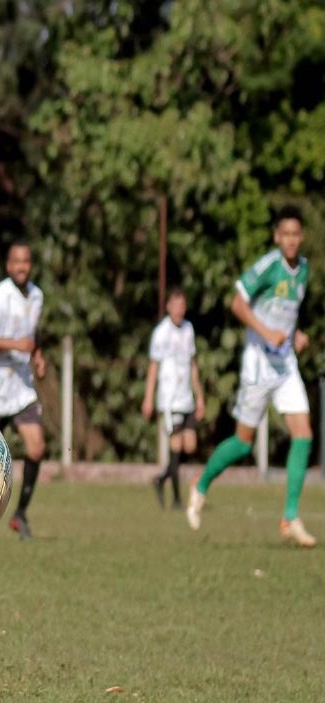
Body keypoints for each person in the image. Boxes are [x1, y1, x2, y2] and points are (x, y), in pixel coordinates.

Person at [185, 205, 316, 548]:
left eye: (295, 234)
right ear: (277, 236)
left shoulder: (303, 270)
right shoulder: (268, 266)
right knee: (242, 442)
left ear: (301, 237)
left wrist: (295, 334)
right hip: (258, 362)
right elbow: (237, 303)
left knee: (303, 433)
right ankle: (201, 484)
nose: (290, 240)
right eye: (285, 234)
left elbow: (286, 312)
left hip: (285, 362)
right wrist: (265, 331)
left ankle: (289, 517)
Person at [0, 240, 46, 541]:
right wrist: (16, 345)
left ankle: (20, 514)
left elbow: (32, 336)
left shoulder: (37, 296)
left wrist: (38, 357)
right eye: (16, 261)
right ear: (8, 266)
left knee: (37, 448)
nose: (21, 267)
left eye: (26, 261)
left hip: (21, 388)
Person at [141, 287, 206, 511]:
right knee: (176, 445)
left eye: (182, 305)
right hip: (169, 400)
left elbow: (193, 365)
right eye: (175, 305)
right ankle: (177, 499)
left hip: (186, 397)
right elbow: (153, 367)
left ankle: (161, 479)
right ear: (168, 307)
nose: (179, 309)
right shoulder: (161, 333)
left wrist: (200, 397)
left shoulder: (188, 330)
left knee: (189, 445)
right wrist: (148, 398)